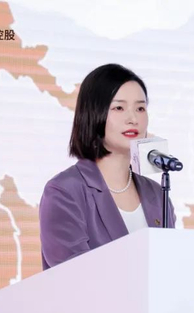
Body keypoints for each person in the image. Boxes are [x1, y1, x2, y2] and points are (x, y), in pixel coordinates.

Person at [39, 64, 176, 270]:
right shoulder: (64, 192)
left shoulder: (157, 194)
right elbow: (73, 276)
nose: (133, 119)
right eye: (119, 108)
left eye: (140, 108)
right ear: (94, 113)